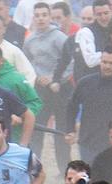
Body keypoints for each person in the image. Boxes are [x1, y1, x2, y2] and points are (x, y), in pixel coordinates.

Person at [64, 49, 112, 163]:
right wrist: (70, 129)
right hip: (88, 143)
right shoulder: (85, 83)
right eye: (104, 62)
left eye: (111, 63)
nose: (107, 66)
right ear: (100, 62)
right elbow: (72, 106)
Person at [25, 1, 70, 160]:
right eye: (37, 16)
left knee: (61, 129)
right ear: (33, 18)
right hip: (40, 89)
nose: (41, 19)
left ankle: (63, 166)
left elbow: (70, 61)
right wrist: (36, 77)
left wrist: (56, 79)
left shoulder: (59, 37)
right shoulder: (30, 40)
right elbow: (27, 62)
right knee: (37, 127)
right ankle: (36, 163)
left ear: (50, 16)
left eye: (44, 15)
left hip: (60, 88)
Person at [0, 43, 44, 121]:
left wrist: (21, 116)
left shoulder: (16, 79)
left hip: (13, 130)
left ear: (1, 60)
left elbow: (35, 102)